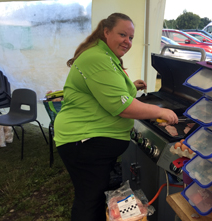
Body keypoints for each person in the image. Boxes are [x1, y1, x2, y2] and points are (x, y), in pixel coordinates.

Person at [54, 12, 178, 221]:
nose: (127, 42)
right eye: (122, 34)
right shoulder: (96, 57)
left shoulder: (108, 57)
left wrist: (132, 86)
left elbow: (112, 89)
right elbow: (120, 106)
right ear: (106, 32)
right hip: (83, 141)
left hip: (90, 142)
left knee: (93, 195)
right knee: (89, 200)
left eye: (130, 38)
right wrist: (161, 111)